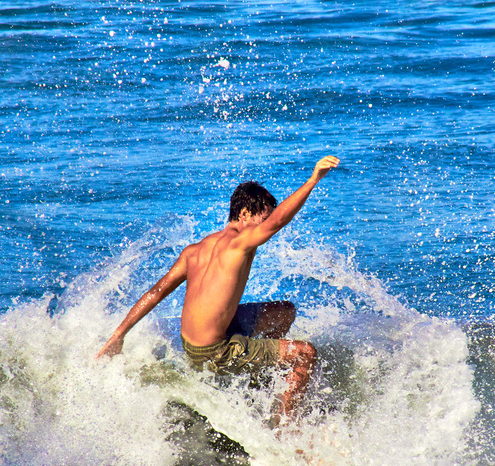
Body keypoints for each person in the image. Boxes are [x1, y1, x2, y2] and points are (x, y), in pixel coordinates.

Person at [97, 155, 340, 421]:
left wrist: (118, 335)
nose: (265, 229)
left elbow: (154, 293)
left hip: (191, 344)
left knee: (284, 312)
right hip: (214, 351)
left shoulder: (194, 250)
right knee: (305, 353)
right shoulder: (240, 243)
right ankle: (285, 431)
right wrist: (313, 180)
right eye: (262, 219)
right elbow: (279, 221)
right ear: (245, 214)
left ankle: (259, 381)